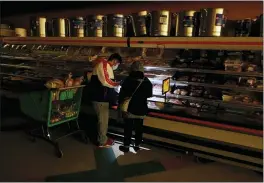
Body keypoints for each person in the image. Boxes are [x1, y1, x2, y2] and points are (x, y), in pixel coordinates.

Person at [118, 61, 153, 152]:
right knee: (139, 128)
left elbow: (122, 94)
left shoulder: (128, 79)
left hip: (130, 108)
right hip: (142, 109)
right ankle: (137, 145)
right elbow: (149, 94)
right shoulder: (146, 80)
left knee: (128, 128)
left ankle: (126, 146)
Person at [89, 53, 122, 148]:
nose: (117, 66)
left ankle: (103, 138)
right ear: (115, 61)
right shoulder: (103, 64)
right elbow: (106, 81)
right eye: (118, 64)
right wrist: (118, 84)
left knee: (103, 120)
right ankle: (102, 142)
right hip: (100, 98)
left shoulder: (106, 66)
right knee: (103, 121)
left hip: (102, 97)